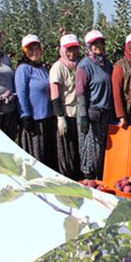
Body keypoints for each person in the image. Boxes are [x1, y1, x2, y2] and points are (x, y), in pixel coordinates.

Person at [76, 30, 114, 180]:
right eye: (94, 44)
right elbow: (80, 92)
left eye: (100, 43)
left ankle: (98, 180)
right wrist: (84, 115)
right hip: (91, 113)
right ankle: (88, 179)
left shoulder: (106, 64)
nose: (98, 46)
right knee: (90, 149)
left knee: (100, 150)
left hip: (104, 113)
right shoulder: (84, 66)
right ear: (88, 46)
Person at [14, 34, 56, 170]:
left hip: (47, 118)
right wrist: (25, 116)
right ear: (25, 52)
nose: (34, 52)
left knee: (48, 157)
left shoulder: (43, 69)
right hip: (34, 120)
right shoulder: (24, 69)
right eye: (30, 49)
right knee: (37, 158)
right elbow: (21, 94)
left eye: (36, 48)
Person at [49, 34, 83, 180]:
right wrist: (60, 116)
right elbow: (55, 94)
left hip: (79, 113)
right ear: (63, 50)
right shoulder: (58, 67)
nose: (72, 52)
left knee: (78, 149)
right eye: (69, 49)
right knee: (66, 150)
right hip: (67, 113)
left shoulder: (80, 65)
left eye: (75, 48)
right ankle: (67, 179)